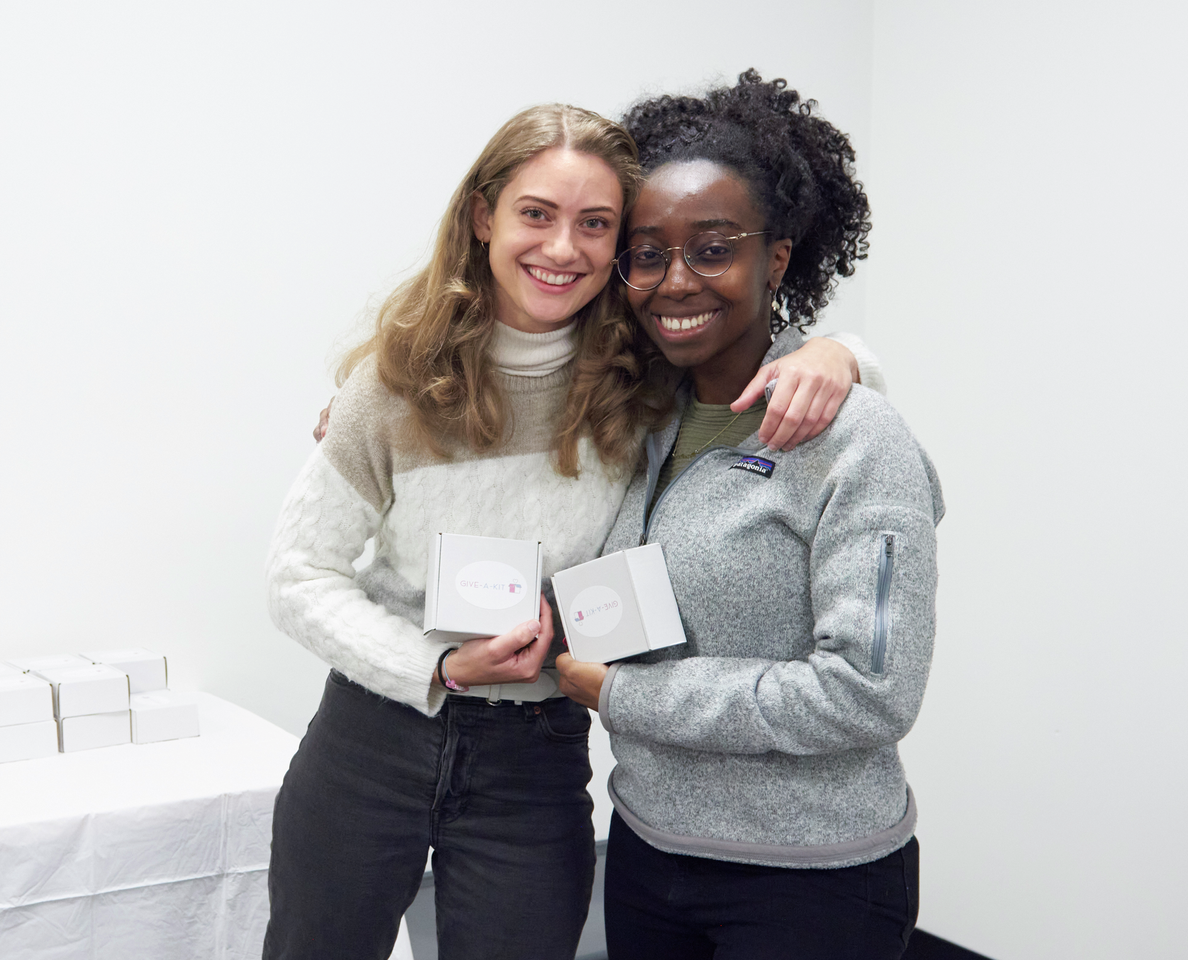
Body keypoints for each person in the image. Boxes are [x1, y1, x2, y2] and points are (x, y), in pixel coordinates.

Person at [264, 102, 882, 960]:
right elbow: (297, 575)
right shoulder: (395, 385)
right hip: (372, 741)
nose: (563, 249)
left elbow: (746, 339)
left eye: (596, 225)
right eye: (536, 215)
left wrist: (843, 354)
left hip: (535, 754)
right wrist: (435, 666)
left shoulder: (641, 379)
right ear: (483, 217)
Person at [556, 71, 943, 960]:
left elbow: (866, 696)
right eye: (647, 254)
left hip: (809, 880)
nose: (674, 281)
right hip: (648, 851)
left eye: (713, 248)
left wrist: (623, 695)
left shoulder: (853, 438)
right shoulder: (631, 416)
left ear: (777, 258)